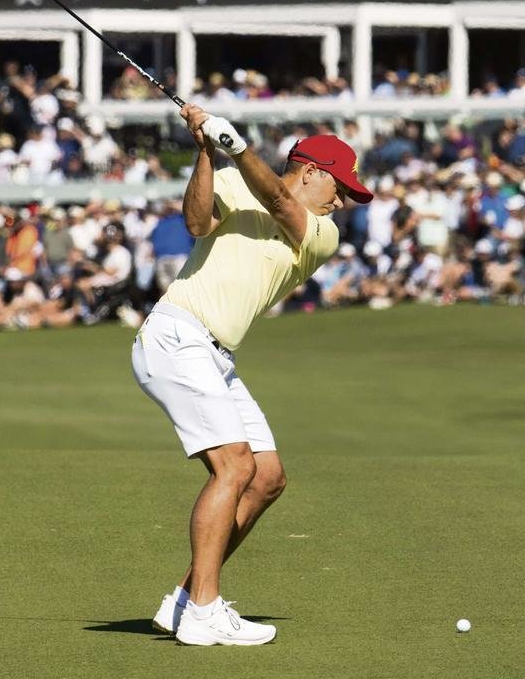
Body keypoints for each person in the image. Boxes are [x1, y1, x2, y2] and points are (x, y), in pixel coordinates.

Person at [131, 103, 372, 646]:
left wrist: (236, 145)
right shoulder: (238, 181)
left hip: (215, 354)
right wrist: (207, 152)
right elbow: (197, 223)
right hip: (178, 334)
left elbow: (279, 200)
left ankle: (187, 600)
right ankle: (203, 613)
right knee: (234, 467)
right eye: (340, 187)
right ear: (311, 169)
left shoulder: (321, 233)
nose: (343, 200)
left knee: (266, 477)